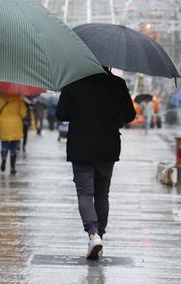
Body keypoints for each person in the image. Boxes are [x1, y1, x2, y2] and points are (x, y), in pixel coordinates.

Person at [57, 67, 136, 259]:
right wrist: (113, 120)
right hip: (107, 146)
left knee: (85, 193)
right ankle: (100, 234)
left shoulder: (73, 83)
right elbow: (130, 114)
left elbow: (62, 114)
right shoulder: (117, 84)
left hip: (81, 146)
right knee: (102, 193)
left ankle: (93, 234)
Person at [0, 91, 27, 175]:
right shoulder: (18, 99)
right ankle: (12, 168)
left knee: (4, 144)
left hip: (3, 125)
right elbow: (23, 114)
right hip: (16, 125)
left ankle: (3, 157)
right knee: (14, 147)